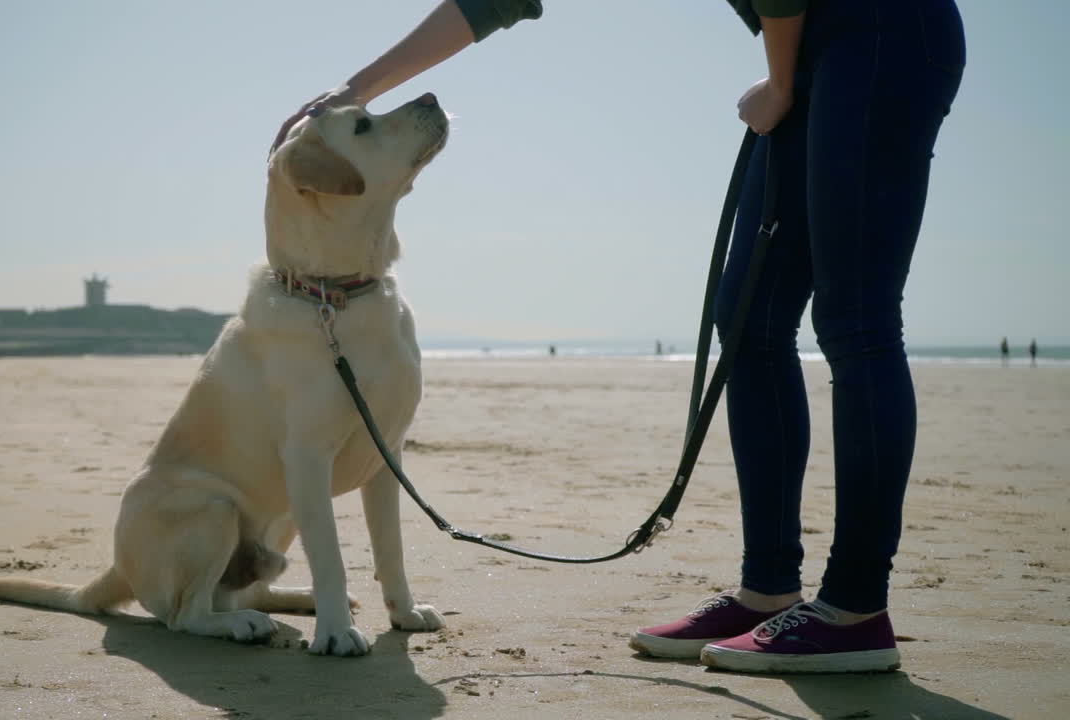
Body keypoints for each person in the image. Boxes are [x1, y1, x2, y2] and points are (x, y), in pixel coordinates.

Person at [275, 0, 965, 674]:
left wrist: (782, 82)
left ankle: (853, 609)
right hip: (816, 45)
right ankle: (769, 589)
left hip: (884, 31)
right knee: (749, 320)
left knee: (856, 316)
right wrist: (350, 91)